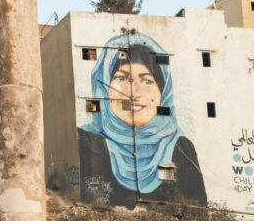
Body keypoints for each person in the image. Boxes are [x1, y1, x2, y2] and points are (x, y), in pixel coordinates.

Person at [78, 33, 206, 208]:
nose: (134, 92)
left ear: (163, 92)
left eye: (147, 81)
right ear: (104, 88)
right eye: (121, 78)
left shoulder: (181, 147)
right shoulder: (87, 139)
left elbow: (198, 217)